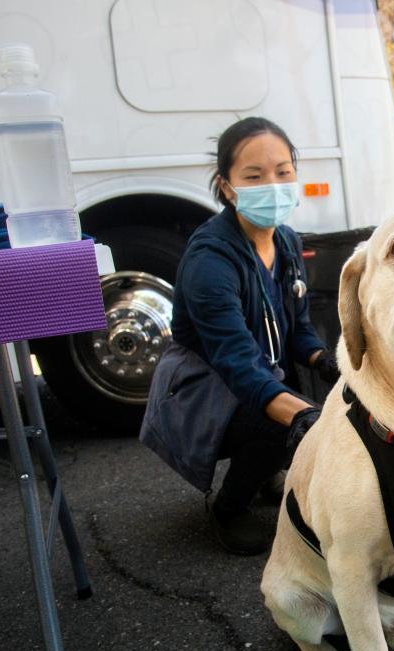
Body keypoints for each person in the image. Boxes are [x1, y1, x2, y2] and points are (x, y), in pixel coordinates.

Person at [140, 117, 338, 556]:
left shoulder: (285, 242)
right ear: (227, 187)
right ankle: (229, 508)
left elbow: (298, 330)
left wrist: (327, 361)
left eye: (284, 171)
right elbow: (238, 364)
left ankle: (265, 470)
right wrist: (308, 417)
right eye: (254, 175)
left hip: (255, 374)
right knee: (281, 418)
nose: (273, 184)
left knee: (317, 395)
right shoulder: (210, 260)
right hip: (204, 391)